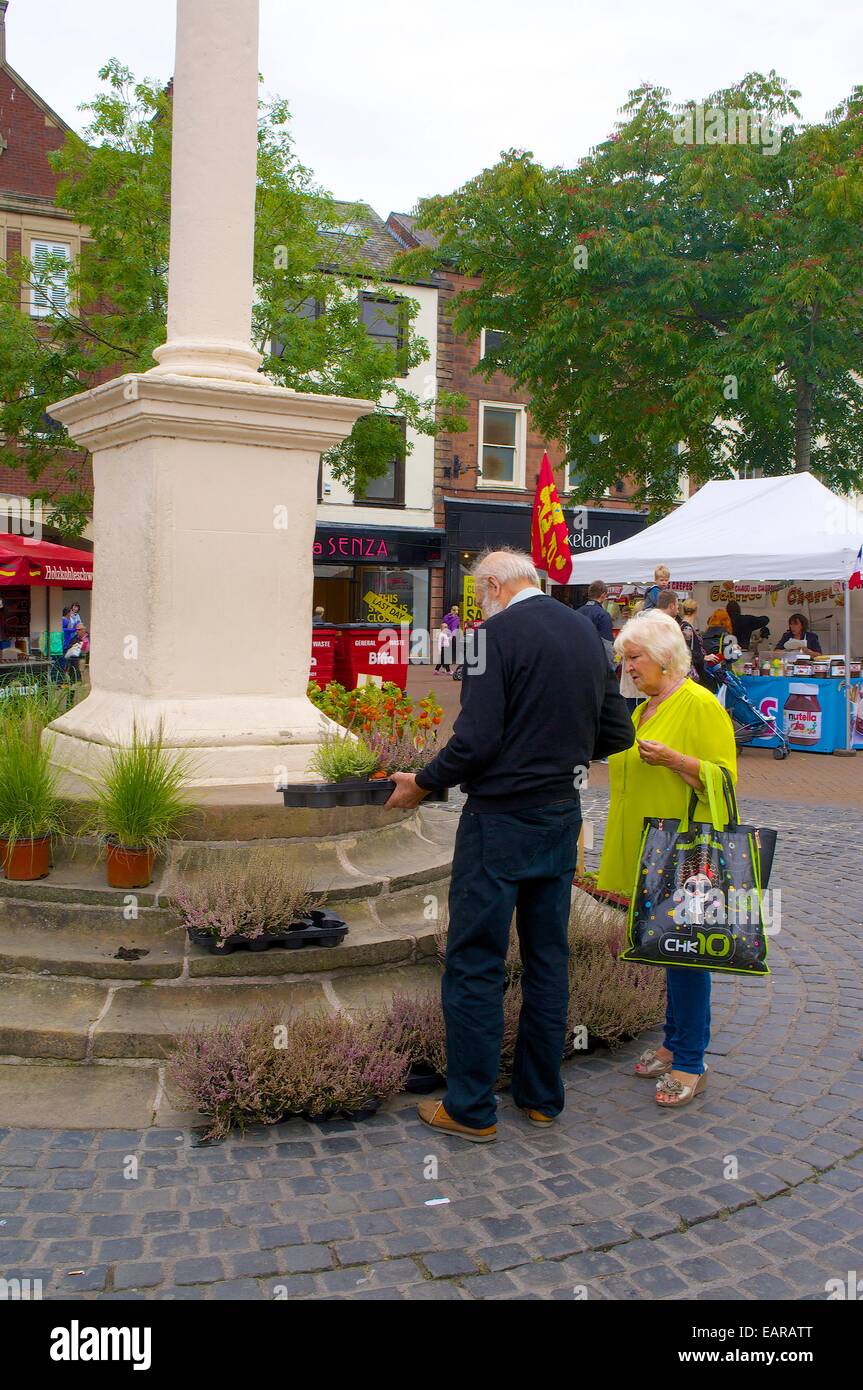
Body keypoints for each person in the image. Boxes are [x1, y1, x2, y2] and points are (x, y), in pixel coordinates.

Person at [385, 547, 635, 1142]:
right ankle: (542, 1096)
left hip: (499, 821)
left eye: (479, 594)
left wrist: (421, 782)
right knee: (548, 958)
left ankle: (471, 1108)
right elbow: (617, 733)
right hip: (559, 816)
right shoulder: (587, 633)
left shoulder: (493, 637)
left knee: (476, 960)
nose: (479, 605)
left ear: (495, 584)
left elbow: (474, 742)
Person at [597, 609, 738, 1109]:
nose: (628, 667)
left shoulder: (699, 704)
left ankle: (691, 1062)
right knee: (665, 950)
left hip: (686, 855)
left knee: (688, 956)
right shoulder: (645, 711)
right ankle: (672, 1043)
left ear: (662, 656)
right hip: (649, 850)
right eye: (624, 659)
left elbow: (725, 778)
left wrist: (679, 762)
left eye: (634, 657)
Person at [577, 581, 615, 666]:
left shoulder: (576, 612)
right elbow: (607, 644)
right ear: (603, 594)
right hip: (596, 662)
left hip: (578, 659)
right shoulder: (603, 615)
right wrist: (612, 666)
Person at [679, 597, 707, 685]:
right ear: (695, 611)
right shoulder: (687, 628)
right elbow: (689, 650)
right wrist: (704, 657)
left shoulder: (682, 626)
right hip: (693, 670)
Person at [435, 605, 461, 672]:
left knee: (444, 652)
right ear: (456, 611)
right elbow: (454, 628)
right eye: (457, 610)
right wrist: (452, 637)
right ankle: (446, 669)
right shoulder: (456, 618)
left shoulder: (446, 617)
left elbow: (443, 625)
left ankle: (442, 668)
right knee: (448, 653)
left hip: (444, 634)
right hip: (450, 637)